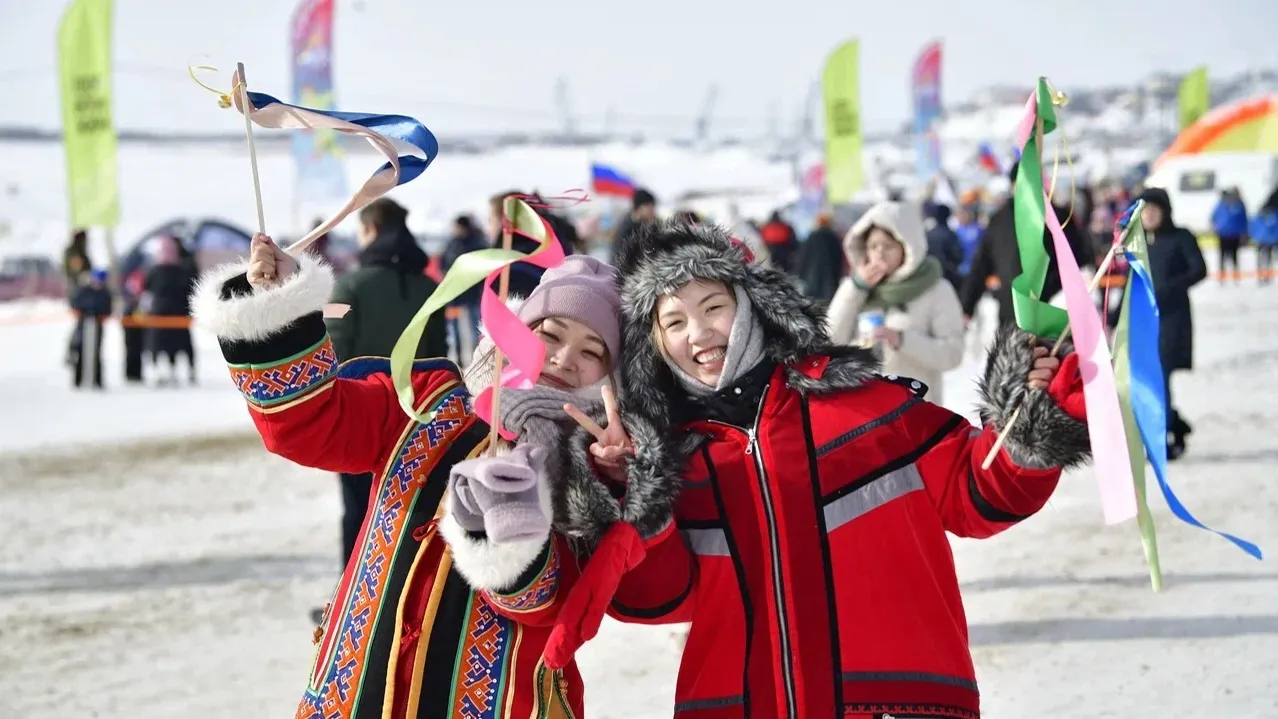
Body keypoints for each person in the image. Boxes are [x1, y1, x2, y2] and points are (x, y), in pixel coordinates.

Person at [591, 221, 1090, 719]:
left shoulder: (864, 407)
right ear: (654, 343)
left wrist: (1027, 425)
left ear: (752, 306)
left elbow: (980, 491)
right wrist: (632, 492)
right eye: (674, 323)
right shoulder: (677, 459)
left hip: (894, 702)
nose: (698, 333)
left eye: (713, 307)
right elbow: (656, 600)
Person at [190, 237, 662, 719]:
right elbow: (310, 425)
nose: (563, 358)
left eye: (591, 351)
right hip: (357, 693)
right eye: (551, 334)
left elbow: (552, 609)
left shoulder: (602, 464)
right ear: (519, 328)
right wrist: (280, 301)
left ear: (611, 375)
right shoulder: (428, 399)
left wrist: (508, 532)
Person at [326, 197, 449, 570]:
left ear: (372, 230)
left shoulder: (347, 286)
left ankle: (349, 598)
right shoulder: (430, 288)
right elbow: (440, 353)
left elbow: (333, 346)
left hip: (358, 414)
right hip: (419, 416)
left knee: (357, 509)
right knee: (408, 509)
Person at [827, 201, 966, 405]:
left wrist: (902, 340)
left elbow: (952, 353)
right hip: (863, 412)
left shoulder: (936, 289)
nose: (879, 253)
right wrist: (856, 288)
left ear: (908, 247)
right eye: (873, 246)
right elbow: (829, 340)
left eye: (888, 246)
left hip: (916, 412)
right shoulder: (855, 289)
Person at [958, 162, 1095, 328]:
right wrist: (967, 306)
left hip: (1051, 311)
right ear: (1012, 186)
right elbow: (980, 267)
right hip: (1012, 315)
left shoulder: (1057, 218)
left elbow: (1078, 259)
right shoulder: (999, 221)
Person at [1138, 188, 1207, 460]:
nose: (1150, 215)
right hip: (1143, 322)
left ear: (1165, 212)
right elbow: (1133, 282)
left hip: (1172, 320)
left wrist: (1169, 288)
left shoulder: (1181, 237)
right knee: (1143, 379)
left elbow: (1199, 269)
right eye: (1145, 210)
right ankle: (1174, 423)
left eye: (1155, 209)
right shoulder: (1139, 242)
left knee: (1160, 377)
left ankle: (1162, 436)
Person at [141, 235, 198, 387]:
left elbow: (146, 292)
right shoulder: (184, 269)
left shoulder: (156, 271)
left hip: (161, 314)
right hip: (177, 314)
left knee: (158, 345)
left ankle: (160, 372)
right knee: (178, 345)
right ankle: (175, 372)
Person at [440, 214, 488, 362]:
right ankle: (466, 357)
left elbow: (444, 265)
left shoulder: (454, 244)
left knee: (471, 327)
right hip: (464, 293)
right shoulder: (477, 242)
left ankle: (471, 357)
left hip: (462, 293)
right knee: (466, 328)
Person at [70, 268, 112, 389]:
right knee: (80, 351)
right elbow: (75, 304)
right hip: (84, 325)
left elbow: (108, 309)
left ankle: (97, 380)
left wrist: (100, 315)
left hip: (97, 325)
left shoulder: (105, 293)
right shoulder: (84, 291)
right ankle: (78, 380)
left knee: (97, 353)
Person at [794, 211, 844, 302]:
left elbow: (803, 257)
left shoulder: (812, 236)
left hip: (812, 276)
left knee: (813, 302)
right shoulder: (833, 237)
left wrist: (800, 273)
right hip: (830, 276)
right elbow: (839, 259)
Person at [922, 201, 965, 291]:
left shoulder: (928, 234)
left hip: (930, 277)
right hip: (949, 277)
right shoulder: (950, 235)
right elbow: (959, 256)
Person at [1210, 187, 1248, 284]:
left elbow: (1244, 220)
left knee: (1231, 256)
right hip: (1225, 234)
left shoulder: (1237, 205)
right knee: (1225, 257)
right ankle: (1224, 277)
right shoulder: (1224, 205)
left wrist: (1244, 232)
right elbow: (1213, 217)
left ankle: (1233, 277)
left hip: (1232, 234)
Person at [611, 187, 657, 263]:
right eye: (650, 207)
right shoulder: (627, 229)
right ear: (640, 207)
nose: (653, 211)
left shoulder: (642, 226)